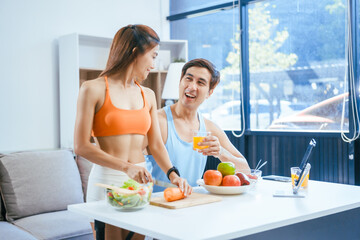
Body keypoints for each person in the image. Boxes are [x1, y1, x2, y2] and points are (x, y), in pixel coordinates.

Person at [74, 24, 192, 240]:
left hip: (139, 185)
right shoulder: (92, 89)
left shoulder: (147, 94)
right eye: (153, 56)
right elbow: (81, 146)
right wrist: (126, 167)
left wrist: (173, 175)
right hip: (106, 183)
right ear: (135, 52)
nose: (154, 64)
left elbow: (155, 145)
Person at [145, 58, 250, 192]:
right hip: (156, 203)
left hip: (192, 203)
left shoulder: (210, 128)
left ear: (209, 93)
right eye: (188, 79)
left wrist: (220, 153)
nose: (192, 86)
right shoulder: (157, 120)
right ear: (180, 82)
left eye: (200, 82)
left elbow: (245, 169)